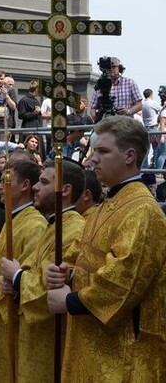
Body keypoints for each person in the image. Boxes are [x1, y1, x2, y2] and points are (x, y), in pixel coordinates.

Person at [46, 116, 166, 381]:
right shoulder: (105, 206)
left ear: (129, 156)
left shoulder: (143, 210)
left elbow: (123, 280)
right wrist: (64, 273)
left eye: (103, 151)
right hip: (91, 342)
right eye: (94, 151)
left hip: (123, 352)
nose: (92, 159)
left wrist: (69, 300)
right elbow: (80, 256)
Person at [0, 160, 85, 383]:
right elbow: (33, 269)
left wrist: (17, 277)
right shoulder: (53, 224)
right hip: (34, 337)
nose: (36, 187)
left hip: (51, 339)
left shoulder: (73, 228)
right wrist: (14, 284)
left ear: (65, 190)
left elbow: (50, 287)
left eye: (44, 182)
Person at [0, 160, 47, 383]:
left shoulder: (35, 225)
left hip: (15, 324)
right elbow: (1, 261)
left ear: (25, 185)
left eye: (6, 181)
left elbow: (28, 280)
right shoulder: (12, 220)